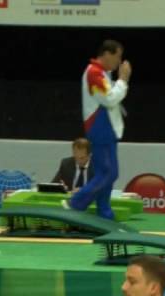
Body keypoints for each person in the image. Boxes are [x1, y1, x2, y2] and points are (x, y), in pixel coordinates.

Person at [66, 39, 131, 220]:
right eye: (117, 57)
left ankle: (104, 212)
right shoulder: (94, 73)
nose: (119, 62)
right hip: (100, 127)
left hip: (107, 128)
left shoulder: (102, 73)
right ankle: (76, 203)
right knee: (109, 172)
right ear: (107, 54)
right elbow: (109, 99)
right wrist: (123, 80)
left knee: (107, 172)